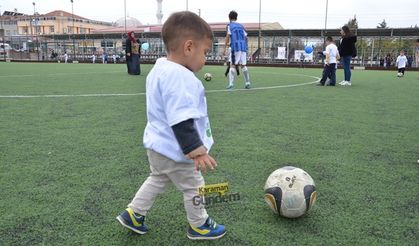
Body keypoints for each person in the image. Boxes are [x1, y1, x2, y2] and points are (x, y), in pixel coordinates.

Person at [115, 11, 226, 240]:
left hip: (157, 146)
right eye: (204, 52)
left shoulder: (160, 69)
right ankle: (199, 224)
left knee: (157, 179)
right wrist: (196, 150)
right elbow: (181, 119)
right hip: (178, 151)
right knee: (194, 186)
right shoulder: (180, 77)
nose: (205, 59)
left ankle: (134, 213)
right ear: (188, 47)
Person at [224, 10, 251, 89]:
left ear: (229, 18)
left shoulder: (229, 25)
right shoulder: (241, 26)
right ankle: (247, 82)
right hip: (243, 47)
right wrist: (246, 47)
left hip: (235, 47)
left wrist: (225, 48)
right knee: (243, 65)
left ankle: (231, 83)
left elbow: (227, 37)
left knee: (232, 65)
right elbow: (246, 37)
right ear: (236, 17)